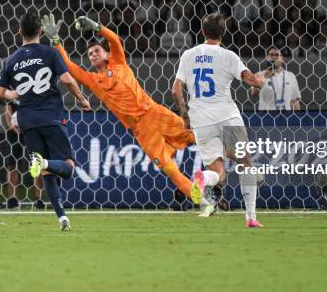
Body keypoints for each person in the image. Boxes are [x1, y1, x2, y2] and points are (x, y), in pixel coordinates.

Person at [40, 14, 205, 205]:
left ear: (107, 54)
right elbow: (69, 66)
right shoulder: (93, 81)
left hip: (155, 113)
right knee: (169, 169)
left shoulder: (118, 62)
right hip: (142, 130)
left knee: (197, 137)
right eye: (90, 54)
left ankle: (228, 159)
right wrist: (55, 41)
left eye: (97, 51)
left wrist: (96, 26)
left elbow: (114, 40)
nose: (93, 54)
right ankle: (201, 200)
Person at [0, 11, 91, 231]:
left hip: (27, 122)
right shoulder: (49, 53)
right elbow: (67, 80)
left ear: (19, 32)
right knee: (67, 167)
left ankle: (62, 218)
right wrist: (82, 99)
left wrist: (15, 94)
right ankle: (44, 164)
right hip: (51, 117)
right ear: (40, 31)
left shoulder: (11, 60)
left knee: (46, 173)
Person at [172, 13, 265, 227]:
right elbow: (251, 79)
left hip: (200, 120)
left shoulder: (188, 55)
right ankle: (251, 217)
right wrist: (258, 81)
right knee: (245, 163)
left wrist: (185, 117)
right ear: (223, 33)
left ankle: (203, 178)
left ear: (202, 31)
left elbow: (176, 89)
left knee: (217, 171)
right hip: (226, 116)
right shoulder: (228, 55)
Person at [0, 99, 45, 210]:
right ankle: (13, 199)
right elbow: (7, 107)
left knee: (36, 163)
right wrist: (11, 125)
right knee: (11, 164)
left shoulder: (35, 87)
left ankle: (39, 199)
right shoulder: (12, 88)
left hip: (32, 129)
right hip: (14, 131)